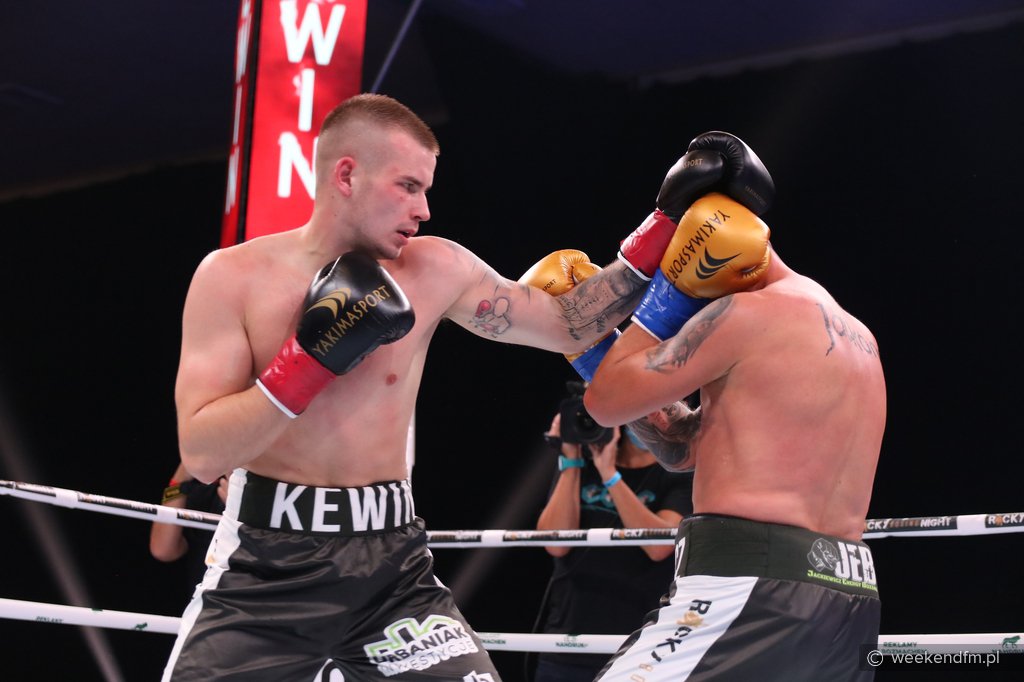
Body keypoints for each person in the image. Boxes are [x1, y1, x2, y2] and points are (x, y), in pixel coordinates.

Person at [163, 95, 763, 680]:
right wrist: (308, 362)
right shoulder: (233, 278)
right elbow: (203, 452)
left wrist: (663, 226)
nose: (423, 209)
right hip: (267, 567)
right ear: (346, 175)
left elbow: (567, 323)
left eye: (426, 189)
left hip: (391, 567)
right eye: (408, 186)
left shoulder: (436, 268)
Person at [583, 190, 887, 681]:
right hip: (848, 607)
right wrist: (596, 355)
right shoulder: (860, 339)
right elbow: (685, 448)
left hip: (749, 586)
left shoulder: (745, 315)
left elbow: (603, 402)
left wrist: (665, 300)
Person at [532, 405, 692, 682]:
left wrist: (610, 475)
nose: (650, 417)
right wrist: (570, 462)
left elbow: (658, 547)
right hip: (567, 638)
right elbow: (555, 543)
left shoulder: (680, 472)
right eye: (641, 410)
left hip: (637, 643)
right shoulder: (582, 463)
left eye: (658, 408)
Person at [149, 461, 228, 605]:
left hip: (255, 607)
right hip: (206, 609)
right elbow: (163, 550)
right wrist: (180, 479)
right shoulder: (207, 492)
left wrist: (243, 508)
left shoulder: (270, 494)